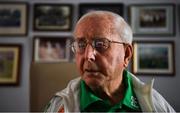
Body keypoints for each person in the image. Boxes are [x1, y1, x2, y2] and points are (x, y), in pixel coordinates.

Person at [44, 11, 175, 112]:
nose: (88, 55)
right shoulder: (59, 106)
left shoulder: (156, 104)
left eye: (100, 44)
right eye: (81, 44)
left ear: (127, 54)